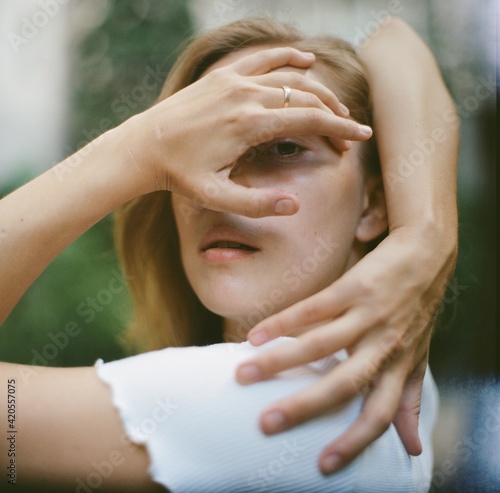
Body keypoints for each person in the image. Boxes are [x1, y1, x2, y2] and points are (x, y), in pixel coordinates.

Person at [0, 15, 456, 491]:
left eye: (282, 147)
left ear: (374, 205)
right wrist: (426, 233)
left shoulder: (280, 394)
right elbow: (394, 39)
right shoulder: (399, 381)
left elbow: (392, 36)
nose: (215, 191)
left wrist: (135, 151)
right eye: (191, 151)